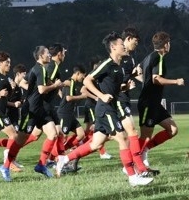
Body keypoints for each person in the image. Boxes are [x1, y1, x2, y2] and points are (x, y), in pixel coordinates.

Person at [56, 32, 154, 187]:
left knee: (95, 144)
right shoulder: (107, 64)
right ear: (113, 47)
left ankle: (65, 159)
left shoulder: (119, 68)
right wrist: (101, 95)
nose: (123, 46)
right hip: (105, 109)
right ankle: (132, 176)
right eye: (121, 44)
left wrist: (126, 86)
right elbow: (88, 80)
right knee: (123, 138)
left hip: (111, 108)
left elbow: (116, 88)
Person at [0, 46, 60, 181]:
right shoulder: (39, 69)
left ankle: (41, 165)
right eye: (47, 53)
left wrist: (55, 85)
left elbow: (28, 83)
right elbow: (42, 89)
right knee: (20, 140)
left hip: (40, 109)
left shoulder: (40, 69)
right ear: (40, 56)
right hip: (31, 109)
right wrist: (56, 86)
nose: (49, 55)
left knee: (53, 133)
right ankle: (5, 166)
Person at [138, 31, 185, 167]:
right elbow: (156, 79)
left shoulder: (149, 57)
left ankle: (145, 151)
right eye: (169, 43)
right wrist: (176, 81)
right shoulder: (158, 57)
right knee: (145, 136)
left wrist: (143, 81)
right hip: (148, 102)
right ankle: (131, 163)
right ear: (166, 44)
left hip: (155, 103)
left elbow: (137, 70)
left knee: (173, 130)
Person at [117, 27, 159, 176]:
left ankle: (66, 158)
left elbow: (130, 75)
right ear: (128, 39)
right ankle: (139, 168)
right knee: (132, 133)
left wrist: (144, 80)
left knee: (98, 140)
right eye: (136, 41)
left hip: (125, 98)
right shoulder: (118, 57)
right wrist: (125, 86)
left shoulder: (131, 58)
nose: (137, 44)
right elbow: (115, 80)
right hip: (117, 100)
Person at [57, 65, 87, 152]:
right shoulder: (71, 82)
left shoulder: (70, 83)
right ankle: (53, 158)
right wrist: (82, 96)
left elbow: (63, 96)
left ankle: (64, 150)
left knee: (81, 134)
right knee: (63, 136)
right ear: (78, 73)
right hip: (64, 113)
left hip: (70, 114)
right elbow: (68, 98)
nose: (83, 78)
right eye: (83, 75)